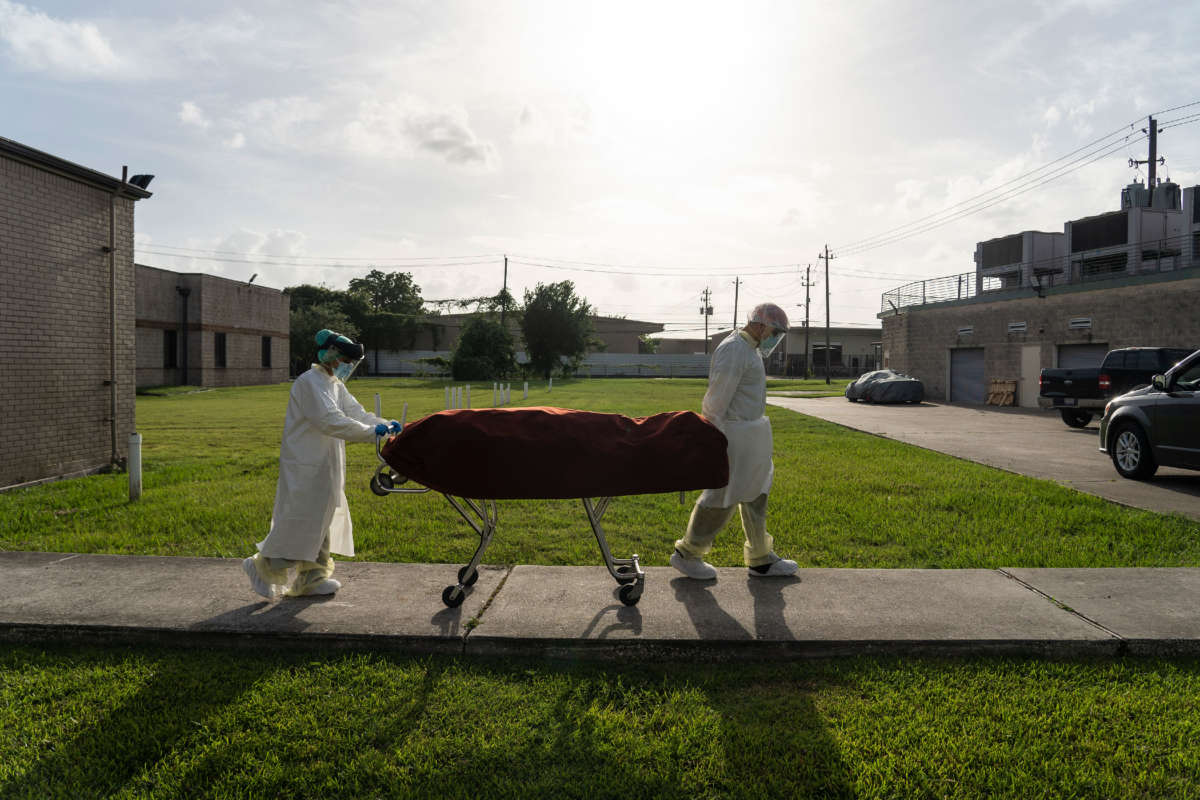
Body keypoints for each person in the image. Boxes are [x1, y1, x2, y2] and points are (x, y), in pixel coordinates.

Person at [242, 329, 399, 598]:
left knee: (322, 519)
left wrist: (384, 425)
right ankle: (262, 565)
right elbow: (329, 420)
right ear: (332, 356)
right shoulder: (309, 382)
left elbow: (355, 413)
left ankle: (311, 579)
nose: (349, 367)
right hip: (306, 463)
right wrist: (369, 432)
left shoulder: (334, 385)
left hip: (325, 464)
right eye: (346, 361)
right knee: (301, 521)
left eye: (352, 363)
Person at [670, 303, 800, 580]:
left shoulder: (749, 349)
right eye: (775, 331)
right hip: (734, 437)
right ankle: (688, 553)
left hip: (752, 436)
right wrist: (714, 440)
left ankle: (760, 558)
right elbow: (716, 401)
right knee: (722, 496)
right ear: (760, 324)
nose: (775, 338)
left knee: (757, 493)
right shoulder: (734, 350)